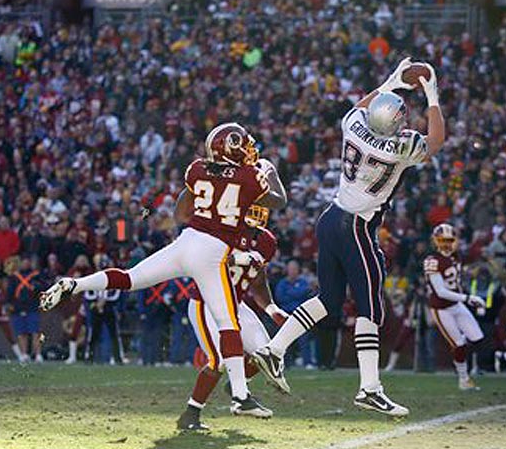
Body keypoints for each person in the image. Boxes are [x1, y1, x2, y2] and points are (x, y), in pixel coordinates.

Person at [40, 123, 287, 417]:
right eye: (244, 145)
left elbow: (184, 207)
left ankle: (74, 285)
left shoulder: (197, 169)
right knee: (228, 323)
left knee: (130, 278)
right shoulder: (249, 177)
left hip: (186, 242)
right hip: (212, 252)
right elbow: (277, 200)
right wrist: (268, 174)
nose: (248, 150)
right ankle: (240, 396)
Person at [254, 57, 445, 417]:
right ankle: (370, 388)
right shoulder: (399, 148)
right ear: (394, 124)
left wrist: (390, 82)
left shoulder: (354, 124)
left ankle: (273, 349)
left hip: (331, 218)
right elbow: (436, 141)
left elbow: (361, 107)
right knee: (370, 307)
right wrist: (432, 94)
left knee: (328, 299)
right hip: (356, 226)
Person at [178, 207, 289, 430]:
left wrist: (271, 308)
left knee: (266, 354)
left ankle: (238, 389)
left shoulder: (266, 241)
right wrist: (238, 257)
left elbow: (257, 280)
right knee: (218, 361)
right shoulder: (219, 230)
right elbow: (204, 261)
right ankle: (191, 414)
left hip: (235, 304)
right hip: (206, 302)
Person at [423, 224, 486, 390]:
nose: (446, 244)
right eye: (442, 240)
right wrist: (468, 298)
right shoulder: (432, 261)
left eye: (449, 240)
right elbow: (441, 292)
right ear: (435, 241)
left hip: (456, 305)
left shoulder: (456, 256)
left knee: (477, 338)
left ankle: (459, 355)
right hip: (441, 309)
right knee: (459, 344)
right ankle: (464, 379)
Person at [274, 259, 317, 368]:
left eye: (295, 269)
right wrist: (299, 293)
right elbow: (280, 298)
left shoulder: (303, 282)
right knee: (284, 340)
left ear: (298, 270)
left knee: (304, 339)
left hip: (300, 314)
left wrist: (291, 294)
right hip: (286, 314)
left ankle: (307, 362)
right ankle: (286, 364)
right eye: (291, 269)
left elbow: (307, 295)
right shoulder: (282, 283)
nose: (293, 271)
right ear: (287, 270)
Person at [8, 257, 43, 362]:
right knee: (21, 333)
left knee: (35, 332)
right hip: (18, 307)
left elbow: (43, 288)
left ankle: (38, 355)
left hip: (32, 307)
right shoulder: (14, 277)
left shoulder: (36, 275)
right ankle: (24, 354)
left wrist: (36, 287)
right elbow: (10, 292)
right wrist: (10, 304)